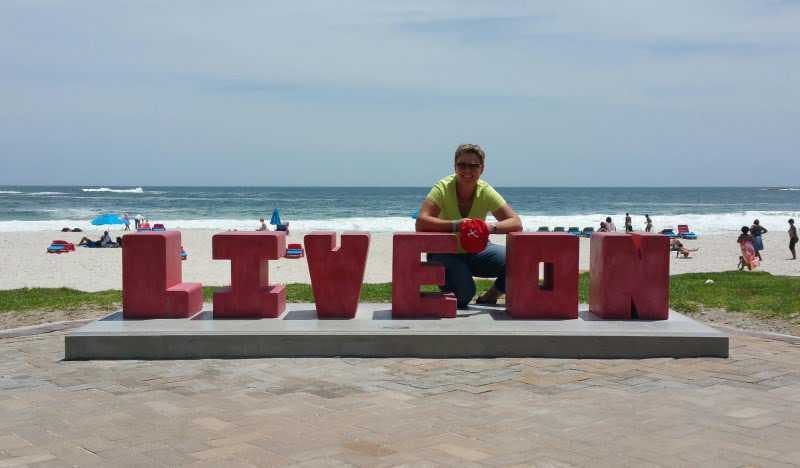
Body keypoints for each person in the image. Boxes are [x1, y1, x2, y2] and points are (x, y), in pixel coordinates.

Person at [416, 144, 522, 308]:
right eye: (462, 165)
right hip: (445, 252)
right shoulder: (442, 188)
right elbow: (421, 223)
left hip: (478, 251)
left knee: (519, 261)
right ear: (455, 167)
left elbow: (516, 223)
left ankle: (491, 295)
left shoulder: (485, 191)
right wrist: (455, 225)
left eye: (473, 166)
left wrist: (488, 228)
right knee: (463, 297)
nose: (467, 170)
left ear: (482, 169)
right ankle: (459, 280)